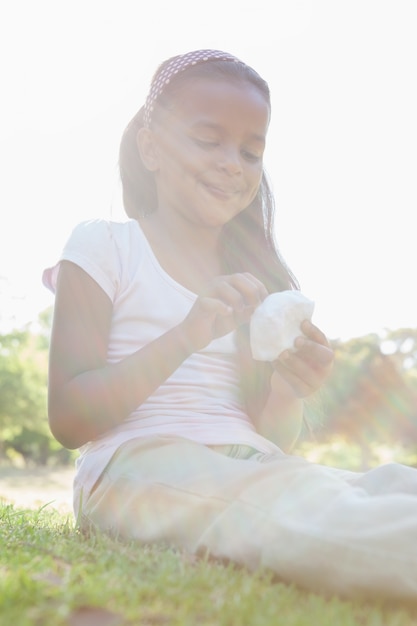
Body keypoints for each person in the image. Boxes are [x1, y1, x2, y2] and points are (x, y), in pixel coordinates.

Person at [43, 49, 417, 604]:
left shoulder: (250, 281)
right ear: (151, 147)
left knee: (384, 485)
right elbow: (70, 419)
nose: (232, 163)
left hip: (255, 463)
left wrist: (290, 390)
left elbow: (269, 439)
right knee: (313, 516)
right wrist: (187, 335)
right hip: (136, 468)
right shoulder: (105, 246)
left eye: (251, 151)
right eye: (207, 140)